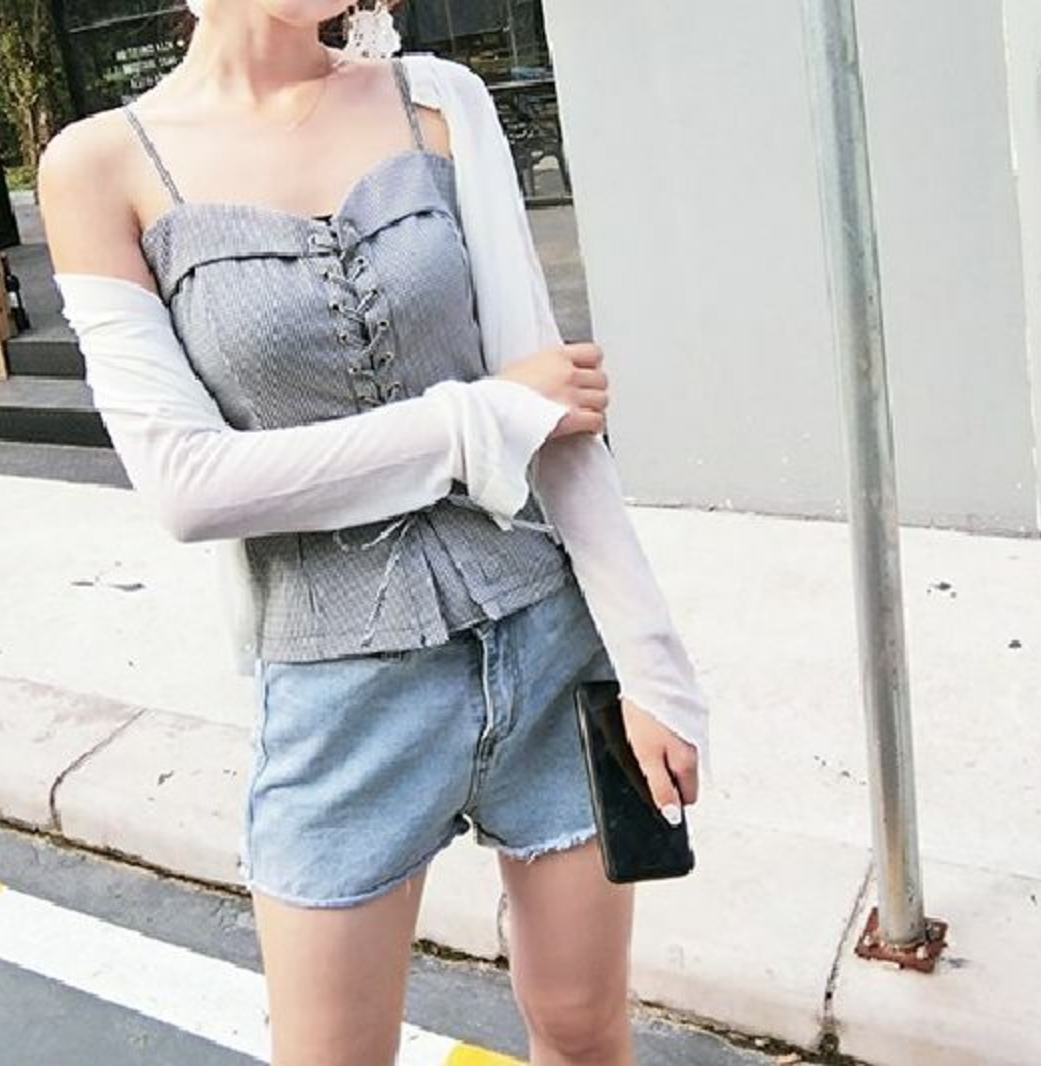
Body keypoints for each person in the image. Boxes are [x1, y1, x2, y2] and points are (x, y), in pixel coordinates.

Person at [38, 3, 710, 1063]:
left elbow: (558, 415)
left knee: (585, 1030)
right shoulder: (99, 166)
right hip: (339, 695)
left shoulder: (438, 102)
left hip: (550, 647)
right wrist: (477, 419)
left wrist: (655, 670)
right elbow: (187, 486)